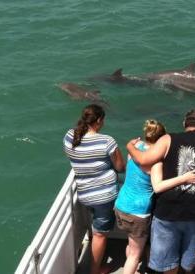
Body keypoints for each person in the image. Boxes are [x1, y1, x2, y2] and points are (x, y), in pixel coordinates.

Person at [126, 109, 195, 274]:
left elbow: (142, 159)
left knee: (167, 265)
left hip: (167, 213)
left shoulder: (168, 139)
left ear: (184, 124)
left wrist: (129, 146)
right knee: (190, 265)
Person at [114, 120, 195, 274]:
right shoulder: (156, 162)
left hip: (121, 206)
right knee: (135, 255)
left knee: (132, 245)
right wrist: (184, 178)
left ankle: (133, 269)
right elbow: (158, 186)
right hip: (138, 212)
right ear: (162, 138)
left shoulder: (134, 150)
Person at [63, 104, 126, 274]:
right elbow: (120, 167)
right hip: (104, 197)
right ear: (98, 120)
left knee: (96, 229)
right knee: (99, 235)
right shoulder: (106, 141)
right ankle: (95, 270)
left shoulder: (69, 136)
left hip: (84, 194)